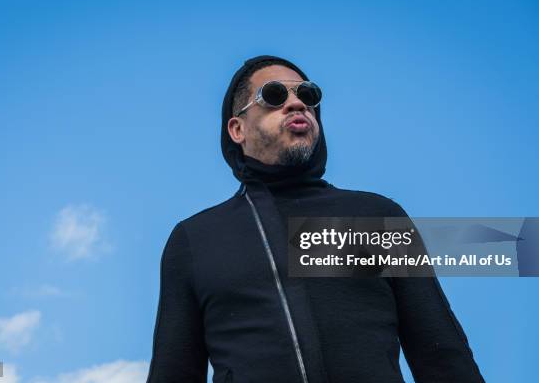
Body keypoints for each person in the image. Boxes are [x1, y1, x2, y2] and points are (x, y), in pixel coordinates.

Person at [146, 55, 485, 383]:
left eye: (307, 95)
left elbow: (442, 355)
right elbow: (173, 373)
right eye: (274, 95)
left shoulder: (376, 216)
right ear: (237, 129)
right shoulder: (196, 239)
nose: (297, 104)